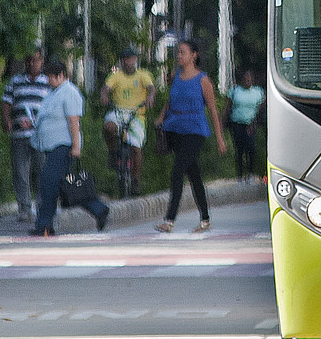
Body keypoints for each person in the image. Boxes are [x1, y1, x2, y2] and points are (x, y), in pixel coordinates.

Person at [27, 58, 111, 237]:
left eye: (50, 77)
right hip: (51, 147)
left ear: (61, 75)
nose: (48, 81)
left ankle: (44, 224)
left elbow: (74, 121)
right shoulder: (52, 94)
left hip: (63, 146)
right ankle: (98, 209)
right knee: (66, 186)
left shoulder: (69, 93)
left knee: (48, 183)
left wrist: (76, 147)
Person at [154, 40, 227, 233]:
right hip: (175, 128)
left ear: (194, 55)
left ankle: (169, 220)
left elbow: (212, 110)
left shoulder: (203, 80)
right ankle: (205, 218)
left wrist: (219, 137)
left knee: (178, 171)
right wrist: (161, 119)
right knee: (194, 175)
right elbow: (170, 101)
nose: (179, 56)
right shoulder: (175, 76)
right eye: (178, 53)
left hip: (195, 130)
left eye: (183, 53)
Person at [1, 50, 55, 224]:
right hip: (19, 134)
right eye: (28, 60)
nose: (32, 64)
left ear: (42, 61)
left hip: (40, 135)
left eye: (35, 61)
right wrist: (6, 119)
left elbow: (52, 109)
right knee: (20, 171)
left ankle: (41, 207)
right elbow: (7, 102)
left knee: (41, 171)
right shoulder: (15, 81)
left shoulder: (47, 82)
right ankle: (24, 208)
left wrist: (36, 123)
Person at [102, 48, 156, 193]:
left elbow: (151, 88)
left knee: (136, 148)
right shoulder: (116, 76)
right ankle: (113, 152)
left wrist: (150, 97)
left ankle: (135, 181)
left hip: (136, 114)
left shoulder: (143, 75)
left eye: (130, 59)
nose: (128, 62)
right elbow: (106, 88)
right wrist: (105, 96)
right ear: (121, 61)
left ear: (136, 60)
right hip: (118, 111)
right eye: (125, 59)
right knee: (109, 127)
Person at [226, 67, 265, 181]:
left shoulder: (258, 92)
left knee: (251, 148)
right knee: (239, 149)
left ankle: (251, 173)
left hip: (251, 124)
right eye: (246, 78)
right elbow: (227, 108)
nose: (248, 80)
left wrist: (254, 122)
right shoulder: (235, 91)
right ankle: (240, 174)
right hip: (237, 123)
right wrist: (221, 122)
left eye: (250, 78)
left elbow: (261, 107)